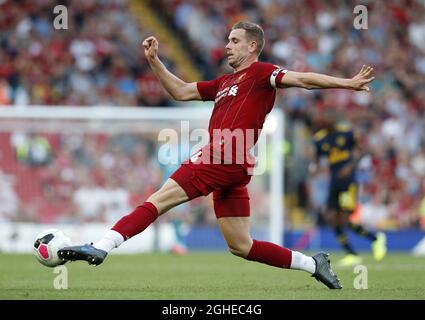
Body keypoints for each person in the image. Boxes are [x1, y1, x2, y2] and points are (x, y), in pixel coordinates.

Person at [58, 21, 375, 290]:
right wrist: (155, 60)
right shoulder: (223, 83)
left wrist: (347, 83)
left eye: (235, 41)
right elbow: (181, 91)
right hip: (233, 166)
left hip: (224, 155)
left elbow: (303, 79)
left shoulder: (262, 73)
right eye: (227, 41)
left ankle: (101, 246)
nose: (227, 46)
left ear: (252, 46)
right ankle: (312, 263)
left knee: (158, 199)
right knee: (241, 245)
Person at [309, 109, 387, 266]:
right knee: (332, 217)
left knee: (344, 218)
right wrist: (315, 169)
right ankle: (352, 253)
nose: (329, 119)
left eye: (331, 116)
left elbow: (361, 150)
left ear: (335, 118)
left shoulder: (347, 133)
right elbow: (317, 159)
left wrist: (350, 166)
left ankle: (375, 238)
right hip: (334, 182)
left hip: (348, 183)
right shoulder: (320, 139)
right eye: (326, 116)